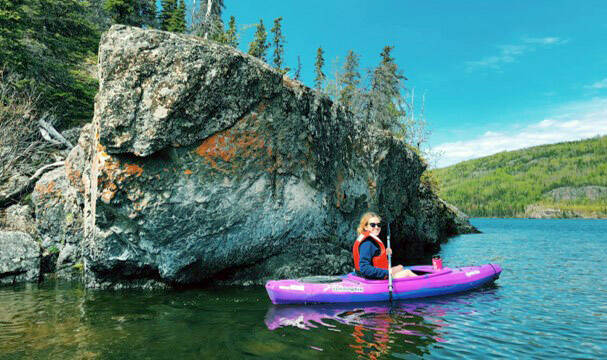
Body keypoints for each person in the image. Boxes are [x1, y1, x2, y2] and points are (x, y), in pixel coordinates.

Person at [352, 212, 417, 280]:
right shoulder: (367, 243)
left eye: (378, 225)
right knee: (407, 272)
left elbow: (374, 257)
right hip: (371, 279)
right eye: (372, 225)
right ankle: (426, 285)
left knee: (400, 267)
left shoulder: (370, 241)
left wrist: (384, 253)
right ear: (365, 227)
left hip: (373, 275)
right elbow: (364, 268)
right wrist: (387, 272)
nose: (376, 227)